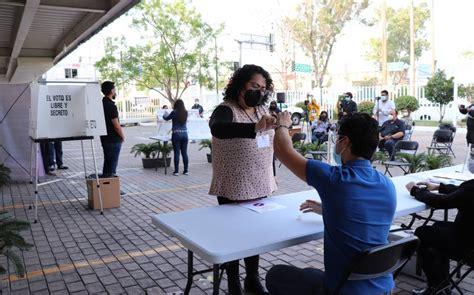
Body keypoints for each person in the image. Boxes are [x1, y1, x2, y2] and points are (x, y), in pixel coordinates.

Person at [267, 112, 396, 295]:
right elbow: (362, 215)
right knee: (310, 273)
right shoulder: (387, 185)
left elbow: (282, 149)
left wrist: (282, 124)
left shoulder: (333, 179)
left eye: (337, 138)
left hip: (342, 289)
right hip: (383, 287)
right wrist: (327, 209)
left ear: (345, 142)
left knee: (276, 274)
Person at [208, 64, 277, 295]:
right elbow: (218, 128)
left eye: (263, 88)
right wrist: (253, 129)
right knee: (234, 237)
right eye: (254, 86)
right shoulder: (225, 109)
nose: (259, 91)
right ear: (240, 85)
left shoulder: (261, 111)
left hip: (259, 184)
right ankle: (233, 283)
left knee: (253, 235)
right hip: (233, 186)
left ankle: (252, 278)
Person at [405, 179, 474, 295]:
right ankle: (442, 282)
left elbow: (441, 201)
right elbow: (461, 192)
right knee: (438, 226)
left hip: (468, 247)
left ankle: (436, 286)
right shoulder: (469, 188)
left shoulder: (471, 188)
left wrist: (415, 191)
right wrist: (438, 187)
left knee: (422, 233)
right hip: (468, 235)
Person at [100, 81, 125, 178]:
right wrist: (122, 136)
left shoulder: (102, 104)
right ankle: (111, 189)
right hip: (113, 139)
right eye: (114, 89)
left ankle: (106, 188)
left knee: (107, 163)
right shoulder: (111, 106)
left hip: (105, 138)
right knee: (112, 167)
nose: (115, 91)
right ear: (111, 91)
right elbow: (116, 125)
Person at [163, 99, 189, 176]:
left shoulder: (174, 112)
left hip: (176, 134)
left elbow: (166, 118)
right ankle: (186, 170)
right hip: (185, 134)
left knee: (177, 152)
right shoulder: (186, 112)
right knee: (184, 153)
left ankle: (176, 171)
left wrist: (164, 114)